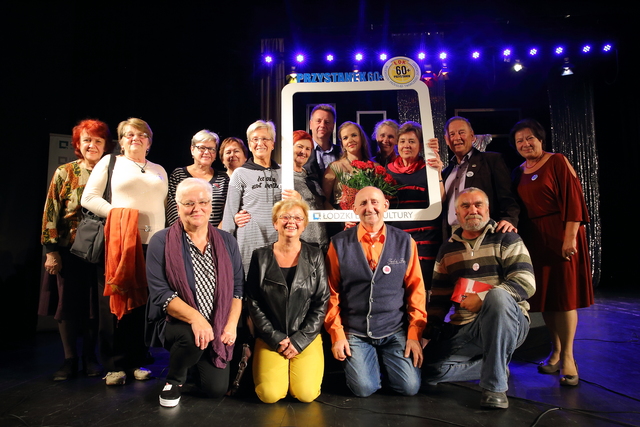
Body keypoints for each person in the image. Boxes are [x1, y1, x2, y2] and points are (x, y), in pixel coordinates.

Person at [422, 187, 535, 409]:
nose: (472, 210)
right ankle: (494, 366)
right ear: (457, 213)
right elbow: (439, 299)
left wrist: (483, 298)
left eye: (478, 205)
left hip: (510, 323)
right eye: (465, 206)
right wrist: (427, 333)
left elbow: (525, 282)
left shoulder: (507, 237)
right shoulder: (448, 249)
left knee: (498, 297)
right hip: (467, 328)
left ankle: (495, 388)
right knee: (424, 370)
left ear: (488, 209)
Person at [82, 117, 168, 385]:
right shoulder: (110, 163)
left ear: (149, 142)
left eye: (141, 135)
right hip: (119, 243)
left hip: (152, 245)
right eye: (129, 134)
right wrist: (119, 216)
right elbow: (89, 198)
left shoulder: (159, 169)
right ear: (120, 141)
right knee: (114, 304)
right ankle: (114, 365)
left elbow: (164, 205)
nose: (135, 138)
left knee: (143, 304)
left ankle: (137, 360)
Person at [147, 178, 244, 407]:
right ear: (178, 206)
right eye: (189, 203)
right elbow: (160, 293)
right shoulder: (160, 241)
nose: (197, 208)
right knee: (190, 337)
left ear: (211, 205)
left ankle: (192, 362)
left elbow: (238, 289)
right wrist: (197, 319)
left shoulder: (227, 241)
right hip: (176, 322)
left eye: (203, 202)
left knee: (215, 390)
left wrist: (230, 325)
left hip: (217, 323)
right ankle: (174, 380)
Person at [510, 118, 593, 386]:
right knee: (546, 298)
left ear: (540, 139)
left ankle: (568, 357)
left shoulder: (557, 161)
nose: (525, 143)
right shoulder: (518, 171)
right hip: (535, 239)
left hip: (561, 233)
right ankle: (555, 352)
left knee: (564, 298)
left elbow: (574, 200)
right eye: (520, 140)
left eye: (530, 138)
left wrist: (569, 238)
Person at [324, 186, 427, 397]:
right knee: (364, 388)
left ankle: (386, 367)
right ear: (354, 209)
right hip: (355, 331)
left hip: (394, 329)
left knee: (409, 387)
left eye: (374, 202)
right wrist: (337, 334)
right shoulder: (338, 243)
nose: (369, 208)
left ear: (385, 206)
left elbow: (416, 291)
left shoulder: (406, 242)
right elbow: (331, 293)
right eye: (363, 203)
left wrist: (414, 334)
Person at [40, 119, 115, 381]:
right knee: (69, 306)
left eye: (98, 140)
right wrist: (51, 251)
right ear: (78, 144)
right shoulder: (65, 171)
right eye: (87, 140)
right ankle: (70, 359)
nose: (92, 145)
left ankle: (90, 357)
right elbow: (51, 210)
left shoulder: (113, 174)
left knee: (96, 308)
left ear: (106, 145)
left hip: (102, 250)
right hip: (69, 250)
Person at [246, 199, 329, 403]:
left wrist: (300, 339)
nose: (291, 221)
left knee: (306, 394)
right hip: (271, 336)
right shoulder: (260, 257)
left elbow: (321, 301)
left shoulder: (315, 255)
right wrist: (274, 337)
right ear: (275, 223)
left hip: (306, 335)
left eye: (298, 218)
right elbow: (253, 302)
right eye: (285, 217)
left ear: (304, 225)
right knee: (269, 395)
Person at [220, 120, 298, 273]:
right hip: (250, 243)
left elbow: (295, 209)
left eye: (265, 139)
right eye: (255, 139)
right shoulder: (240, 174)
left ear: (273, 143)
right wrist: (226, 252)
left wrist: (298, 200)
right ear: (249, 145)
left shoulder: (285, 172)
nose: (260, 143)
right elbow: (229, 216)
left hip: (280, 240)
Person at [386, 121, 444, 290]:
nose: (406, 145)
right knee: (398, 286)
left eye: (412, 141)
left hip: (425, 239)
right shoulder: (387, 170)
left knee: (423, 286)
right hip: (397, 238)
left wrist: (438, 173)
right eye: (402, 141)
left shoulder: (429, 168)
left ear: (420, 145)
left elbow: (441, 199)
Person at [442, 116, 519, 235]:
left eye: (461, 132)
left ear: (472, 136)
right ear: (446, 140)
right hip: (453, 235)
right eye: (452, 134)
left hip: (487, 233)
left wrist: (509, 219)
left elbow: (508, 197)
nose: (457, 138)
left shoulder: (492, 161)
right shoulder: (446, 172)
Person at [166, 130, 229, 227]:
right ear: (192, 149)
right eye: (202, 148)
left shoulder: (223, 178)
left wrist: (215, 234)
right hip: (183, 233)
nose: (207, 152)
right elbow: (173, 211)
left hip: (216, 234)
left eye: (211, 149)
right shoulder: (178, 175)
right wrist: (189, 233)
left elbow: (228, 212)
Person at [322, 121, 374, 210]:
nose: (350, 140)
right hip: (341, 216)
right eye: (345, 138)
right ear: (342, 143)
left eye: (354, 135)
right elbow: (323, 200)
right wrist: (338, 216)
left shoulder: (374, 167)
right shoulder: (334, 167)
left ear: (361, 138)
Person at [292, 130, 329, 252]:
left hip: (322, 242)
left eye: (308, 149)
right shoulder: (281, 175)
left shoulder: (310, 176)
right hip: (301, 244)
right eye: (300, 146)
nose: (304, 152)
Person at [304, 104, 340, 178]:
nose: (322, 125)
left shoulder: (342, 153)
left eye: (327, 122)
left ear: (333, 126)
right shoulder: (299, 152)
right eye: (318, 121)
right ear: (310, 124)